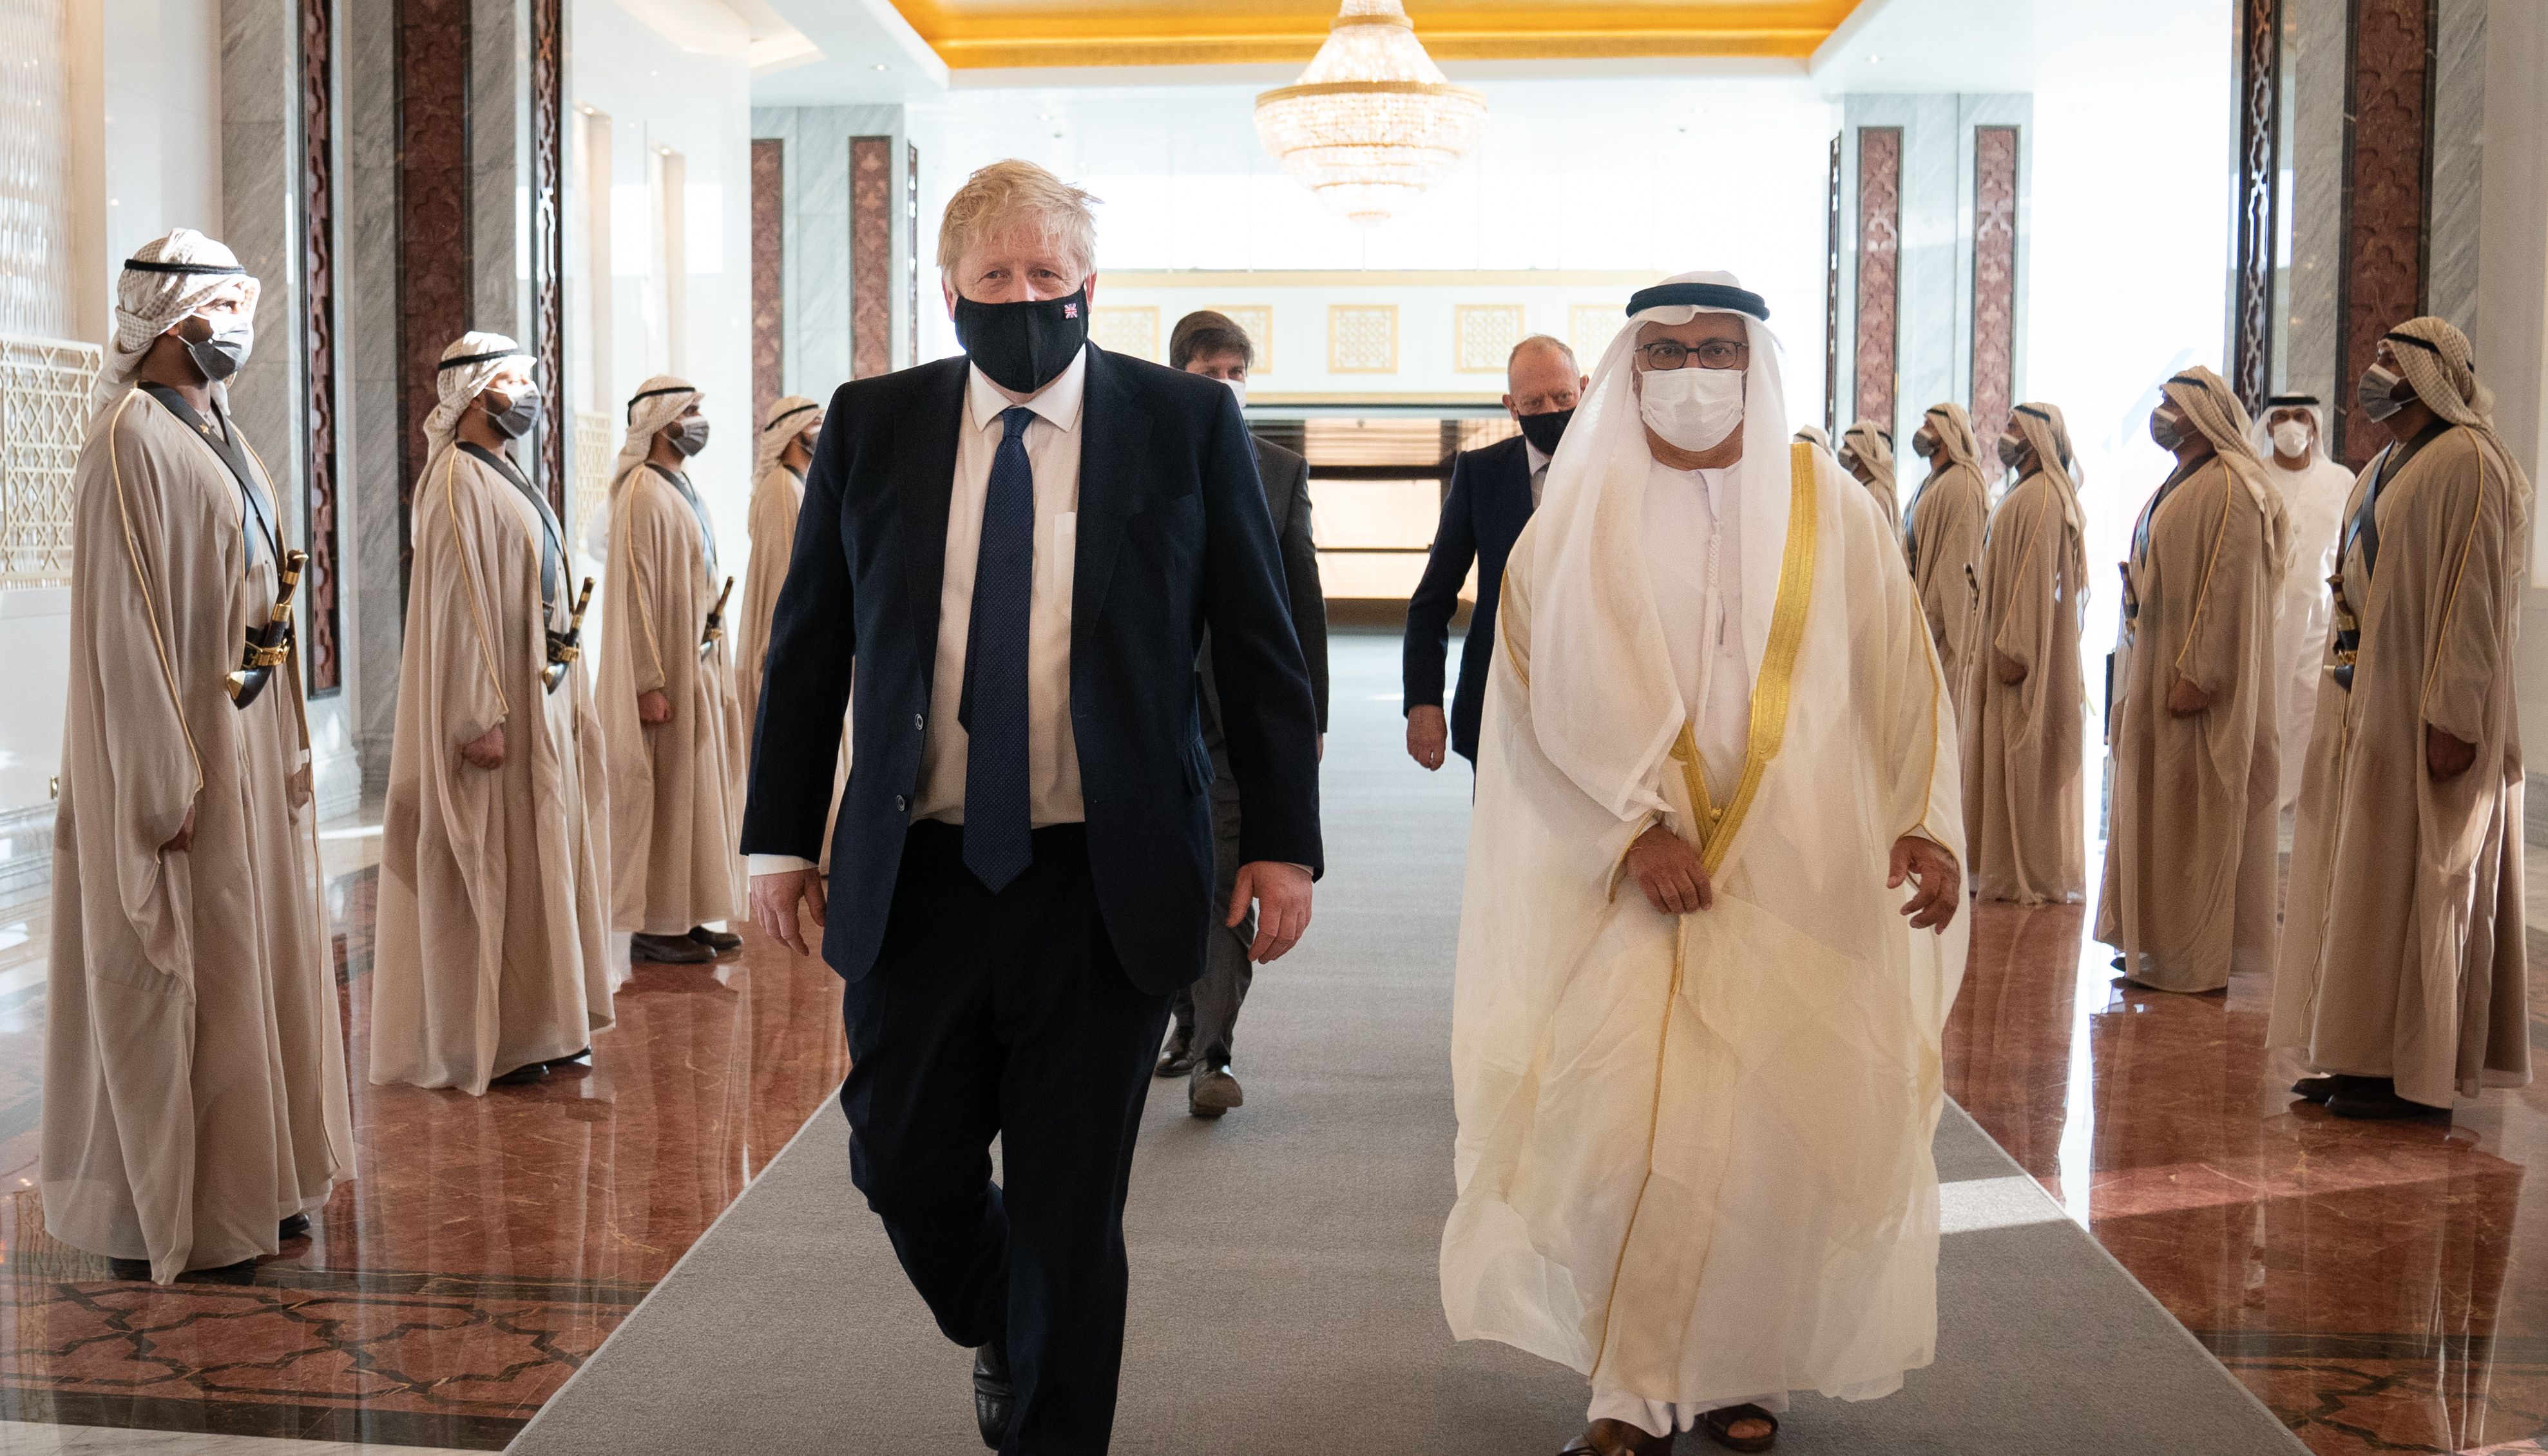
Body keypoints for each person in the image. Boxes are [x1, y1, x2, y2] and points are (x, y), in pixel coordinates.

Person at [739, 160, 1323, 1455]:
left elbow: (1258, 645)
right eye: (995, 276)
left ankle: (1053, 1415)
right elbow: (810, 645)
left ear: (1089, 290)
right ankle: (1010, 1317)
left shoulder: (1182, 424)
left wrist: (1282, 840)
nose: (1022, 298)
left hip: (1102, 876)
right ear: (949, 289)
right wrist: (779, 834)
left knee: (1071, 1207)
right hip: (923, 866)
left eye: (1047, 277)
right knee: (901, 1158)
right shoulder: (872, 422)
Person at [1440, 272, 1965, 1456]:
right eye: (1666, 354)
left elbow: (1902, 676)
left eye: (1715, 350)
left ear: (1754, 361)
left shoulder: (1833, 508)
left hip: (1801, 871)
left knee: (1773, 1140)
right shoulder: (1576, 518)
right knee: (1619, 1129)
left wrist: (1925, 823)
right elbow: (1531, 700)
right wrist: (1631, 830)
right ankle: (1627, 1391)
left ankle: (1746, 1368)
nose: (1690, 375)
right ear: (1631, 370)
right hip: (1631, 886)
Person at [44, 230, 354, 1280]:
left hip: (245, 736)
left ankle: (256, 1185)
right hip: (187, 762)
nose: (240, 330)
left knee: (251, 962)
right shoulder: (130, 435)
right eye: (225, 309)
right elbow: (123, 632)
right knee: (194, 974)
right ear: (177, 322)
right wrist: (159, 779)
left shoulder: (216, 428)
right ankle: (183, 1205)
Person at [2270, 318, 2532, 1120]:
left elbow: (2477, 601)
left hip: (2426, 715)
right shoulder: (2383, 465)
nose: (2373, 371)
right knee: (2361, 886)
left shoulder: (2472, 461)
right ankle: (2361, 1056)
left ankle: (2414, 1079)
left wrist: (2452, 716)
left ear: (2427, 372)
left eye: (2389, 358)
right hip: (2365, 705)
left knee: (2423, 887)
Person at [370, 334, 615, 1093]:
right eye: (515, 381)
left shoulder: (502, 473)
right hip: (494, 719)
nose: (529, 395)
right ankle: (491, 1036)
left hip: (535, 697)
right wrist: (479, 714)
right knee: (491, 869)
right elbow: (457, 608)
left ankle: (536, 1022)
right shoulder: (453, 480)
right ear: (478, 393)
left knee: (537, 866)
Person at [1153, 309, 1330, 1118]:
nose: (1224, 389)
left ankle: (1213, 1056)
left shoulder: (1277, 470)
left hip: (1236, 716)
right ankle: (1187, 1023)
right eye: (1207, 375)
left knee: (1226, 876)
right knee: (1162, 879)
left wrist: (1310, 719)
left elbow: (1302, 603)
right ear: (1175, 378)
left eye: (1236, 374)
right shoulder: (1129, 457)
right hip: (1145, 716)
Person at [2095, 367, 2286, 993]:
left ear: (2202, 415)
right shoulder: (2181, 482)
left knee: (2197, 822)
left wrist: (2200, 672)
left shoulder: (2233, 486)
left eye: (2171, 406)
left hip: (2196, 689)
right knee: (2163, 816)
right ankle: (2158, 946)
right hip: (2156, 669)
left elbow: (2228, 589)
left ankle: (2194, 956)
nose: (2160, 416)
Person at [597, 377, 749, 966]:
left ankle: (684, 914)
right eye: (691, 411)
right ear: (662, 421)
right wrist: (647, 680)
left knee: (695, 793)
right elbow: (636, 593)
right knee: (662, 798)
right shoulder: (640, 491)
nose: (699, 421)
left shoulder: (679, 485)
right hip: (666, 675)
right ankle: (653, 923)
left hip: (697, 663)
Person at [1405, 334, 1586, 771]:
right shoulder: (1480, 473)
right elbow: (1432, 599)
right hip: (1498, 703)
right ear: (1511, 405)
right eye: (1533, 401)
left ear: (1585, 388)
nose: (1549, 412)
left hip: (1595, 703)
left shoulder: (1622, 470)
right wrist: (1423, 702)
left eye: (1562, 397)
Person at [1961, 402, 2087, 904]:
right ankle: (1999, 865)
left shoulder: (2040, 497)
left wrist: (2015, 646)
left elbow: (2037, 582)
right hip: (2002, 648)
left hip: (2020, 658)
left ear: (2036, 437)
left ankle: (2025, 872)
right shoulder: (2025, 491)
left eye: (2014, 427)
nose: (2005, 434)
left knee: (2022, 759)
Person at [2252, 394, 2355, 812]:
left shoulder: (2339, 480)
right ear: (2268, 426)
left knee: (2309, 703)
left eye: (2299, 417)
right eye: (2280, 417)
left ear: (2314, 427)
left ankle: (2303, 793)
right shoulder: (2252, 476)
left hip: (2321, 618)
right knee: (2266, 701)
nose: (2290, 426)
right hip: (2263, 616)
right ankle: (2265, 791)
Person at [738, 393, 824, 743]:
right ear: (792, 434)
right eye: (814, 424)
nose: (822, 430)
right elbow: (784, 575)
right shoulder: (780, 488)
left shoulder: (799, 484)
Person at [1901, 402, 1989, 716]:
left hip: (1943, 640)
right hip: (1920, 625)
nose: (1923, 431)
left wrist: (1929, 628)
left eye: (1930, 425)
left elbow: (1955, 574)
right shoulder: (1933, 482)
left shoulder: (1962, 485)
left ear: (1950, 433)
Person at [1837, 419, 1901, 537]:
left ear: (1862, 451)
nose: (1842, 451)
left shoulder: (1876, 493)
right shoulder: (1867, 488)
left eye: (1848, 446)